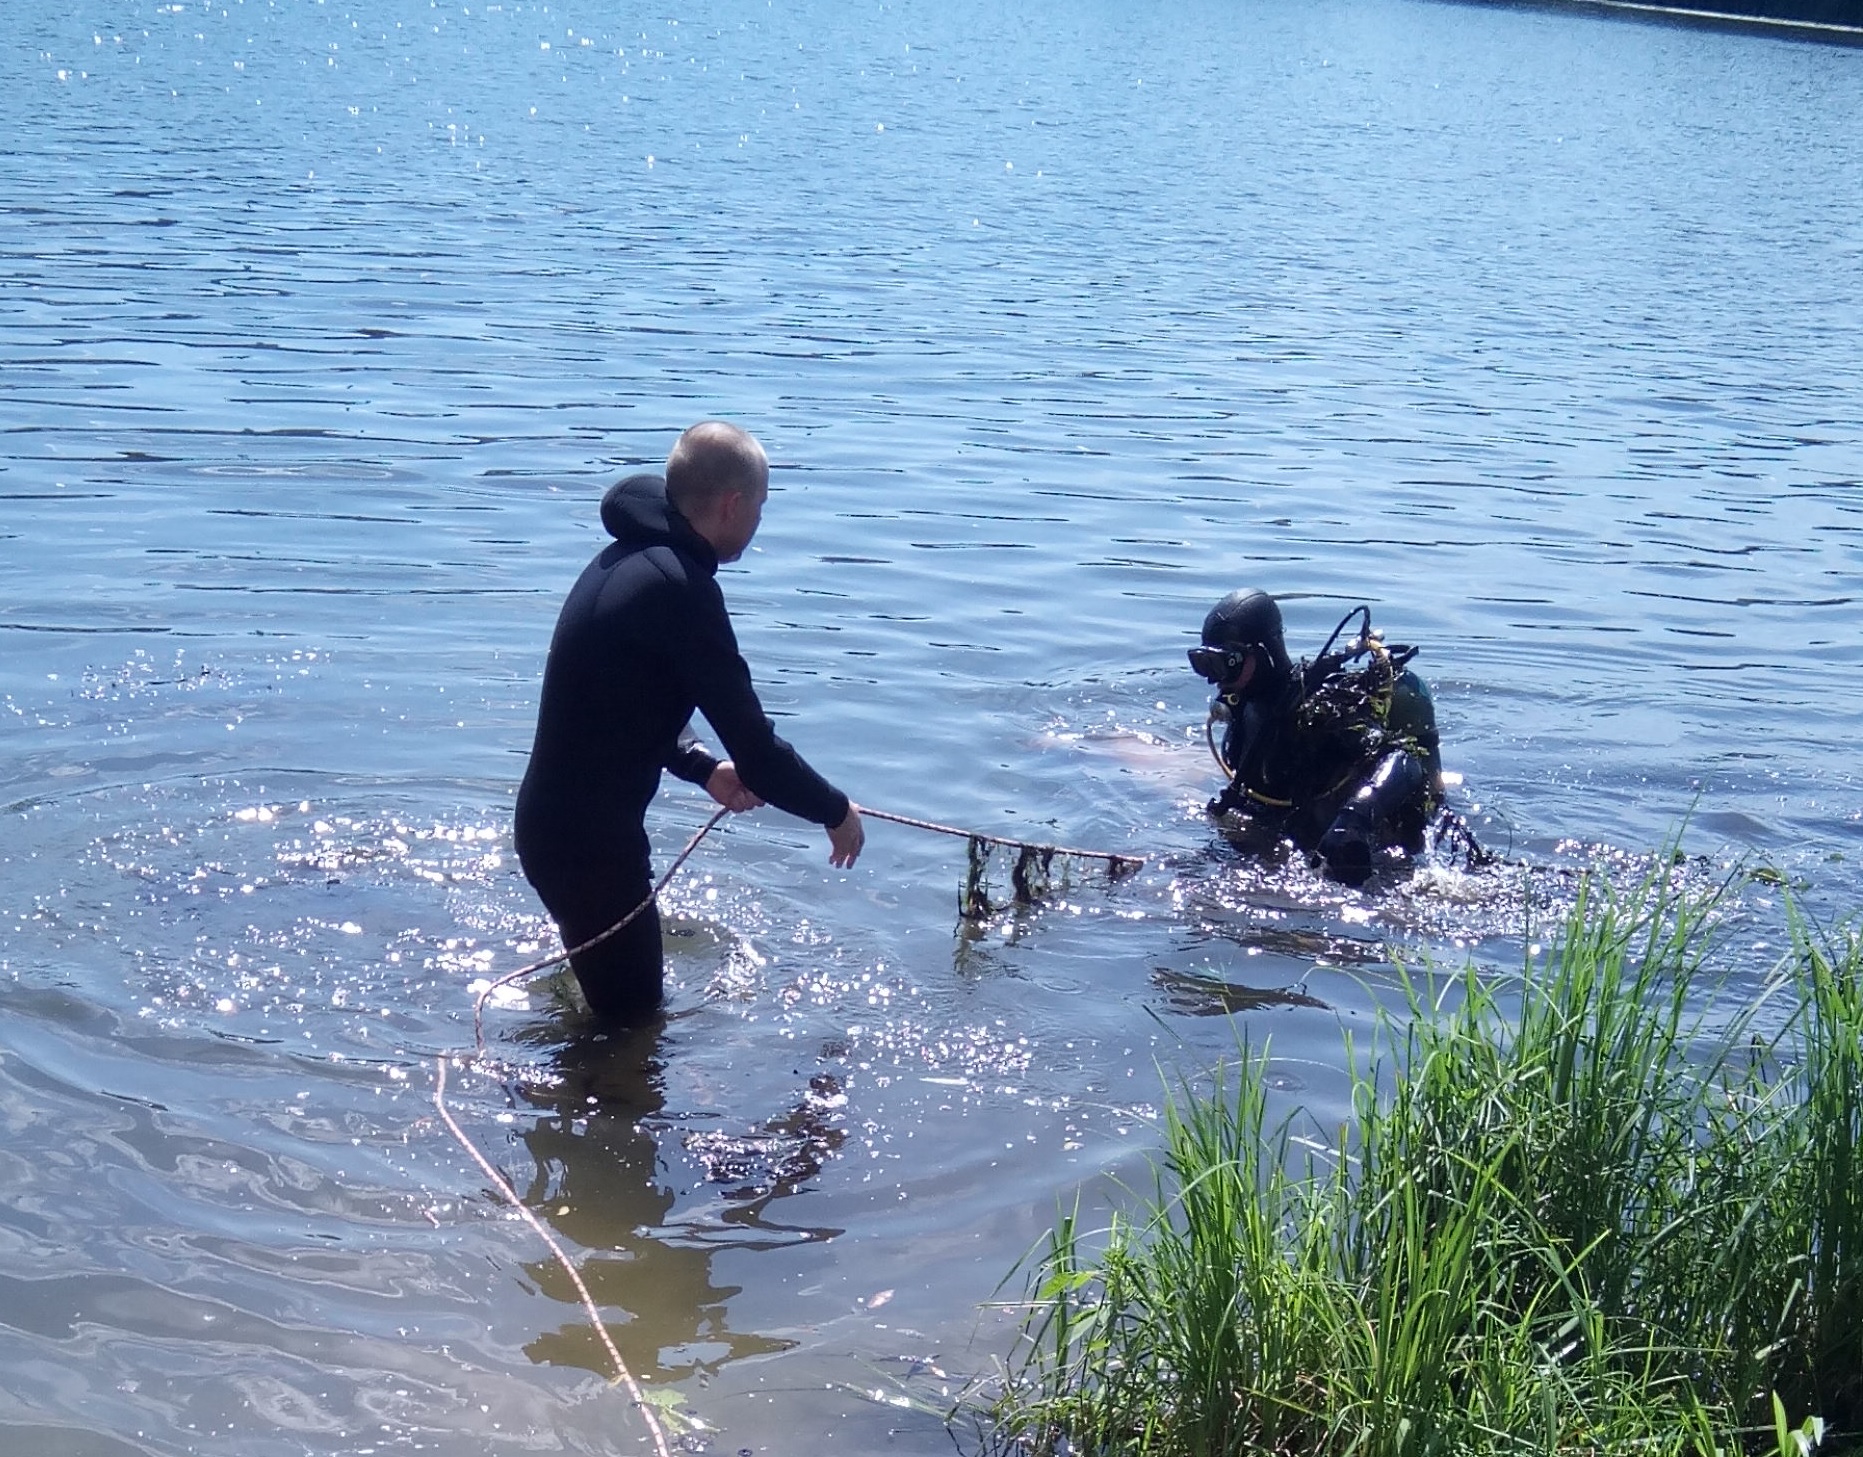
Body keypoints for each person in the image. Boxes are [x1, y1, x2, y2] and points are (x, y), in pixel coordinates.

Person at [515, 421, 863, 1021]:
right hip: (592, 853)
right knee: (632, 1035)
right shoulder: (680, 589)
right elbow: (758, 750)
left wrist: (703, 769)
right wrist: (836, 811)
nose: (758, 523)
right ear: (732, 505)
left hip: (558, 833)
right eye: (759, 508)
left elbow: (631, 703)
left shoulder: (635, 560)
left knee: (614, 1017)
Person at [1188, 589, 1444, 885]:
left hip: (1360, 855)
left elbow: (1404, 761)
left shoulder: (1318, 712)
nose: (1214, 678)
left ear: (1262, 653)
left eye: (1225, 663)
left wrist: (1355, 819)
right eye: (1205, 664)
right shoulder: (1245, 712)